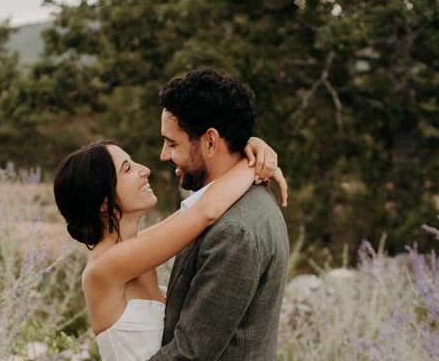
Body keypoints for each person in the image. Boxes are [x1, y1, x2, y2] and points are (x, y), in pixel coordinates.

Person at [54, 138, 285, 361]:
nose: (144, 169)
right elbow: (205, 212)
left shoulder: (138, 248)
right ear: (104, 202)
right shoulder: (104, 268)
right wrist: (255, 164)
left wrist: (252, 145)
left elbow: (194, 210)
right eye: (127, 169)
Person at [148, 67, 289, 360]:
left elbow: (189, 354)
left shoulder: (235, 231)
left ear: (211, 141)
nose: (163, 155)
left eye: (172, 143)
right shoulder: (231, 205)